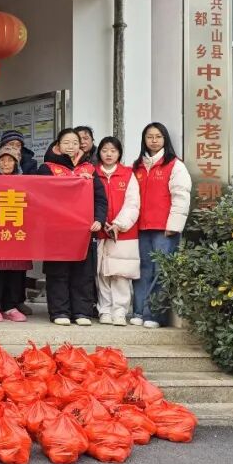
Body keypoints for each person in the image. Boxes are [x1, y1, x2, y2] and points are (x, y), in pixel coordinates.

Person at [35, 127, 108, 326]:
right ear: (58, 146)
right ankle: (59, 311)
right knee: (58, 272)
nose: (71, 146)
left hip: (83, 231)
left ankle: (82, 312)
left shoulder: (89, 170)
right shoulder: (47, 169)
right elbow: (39, 197)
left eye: (75, 143)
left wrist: (99, 219)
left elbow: (100, 199)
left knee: (83, 273)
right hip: (56, 231)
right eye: (66, 142)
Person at [131, 122, 191, 328]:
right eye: (149, 137)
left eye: (158, 136)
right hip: (141, 227)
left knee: (162, 271)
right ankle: (138, 311)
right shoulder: (137, 166)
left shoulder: (175, 165)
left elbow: (181, 196)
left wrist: (174, 224)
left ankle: (154, 315)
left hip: (165, 229)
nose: (154, 140)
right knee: (142, 270)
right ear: (144, 140)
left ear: (165, 139)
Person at [95, 136, 141, 326]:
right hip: (100, 231)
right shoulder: (93, 173)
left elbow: (133, 203)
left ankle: (120, 311)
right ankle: (105, 310)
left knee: (121, 274)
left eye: (113, 151)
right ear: (99, 152)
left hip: (124, 233)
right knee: (102, 274)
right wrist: (101, 221)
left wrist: (119, 224)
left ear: (119, 153)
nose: (109, 154)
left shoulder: (128, 174)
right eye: (105, 150)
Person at [0, 144, 30, 322]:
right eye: (3, 160)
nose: (6, 163)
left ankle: (10, 306)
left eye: (10, 160)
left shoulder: (25, 181)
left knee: (15, 271)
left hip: (17, 232)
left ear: (16, 163)